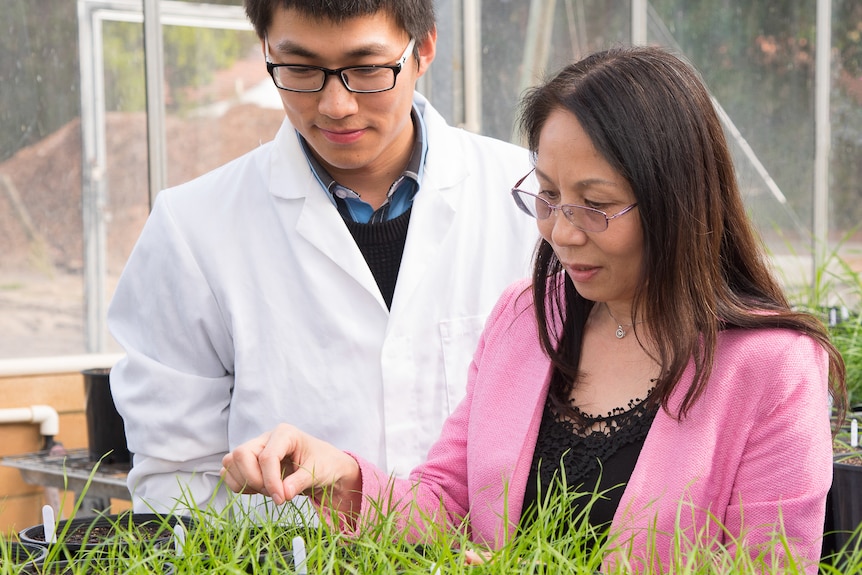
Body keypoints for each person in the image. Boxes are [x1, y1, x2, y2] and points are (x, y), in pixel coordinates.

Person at [220, 46, 847, 573]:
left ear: (677, 201)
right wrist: (344, 479)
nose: (562, 233)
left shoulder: (770, 368)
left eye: (596, 204)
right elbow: (449, 501)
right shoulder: (526, 320)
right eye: (547, 196)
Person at [107, 0, 537, 514]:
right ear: (267, 52)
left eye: (367, 69)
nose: (336, 105)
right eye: (301, 69)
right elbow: (173, 483)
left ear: (423, 49)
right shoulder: (193, 228)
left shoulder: (533, 202)